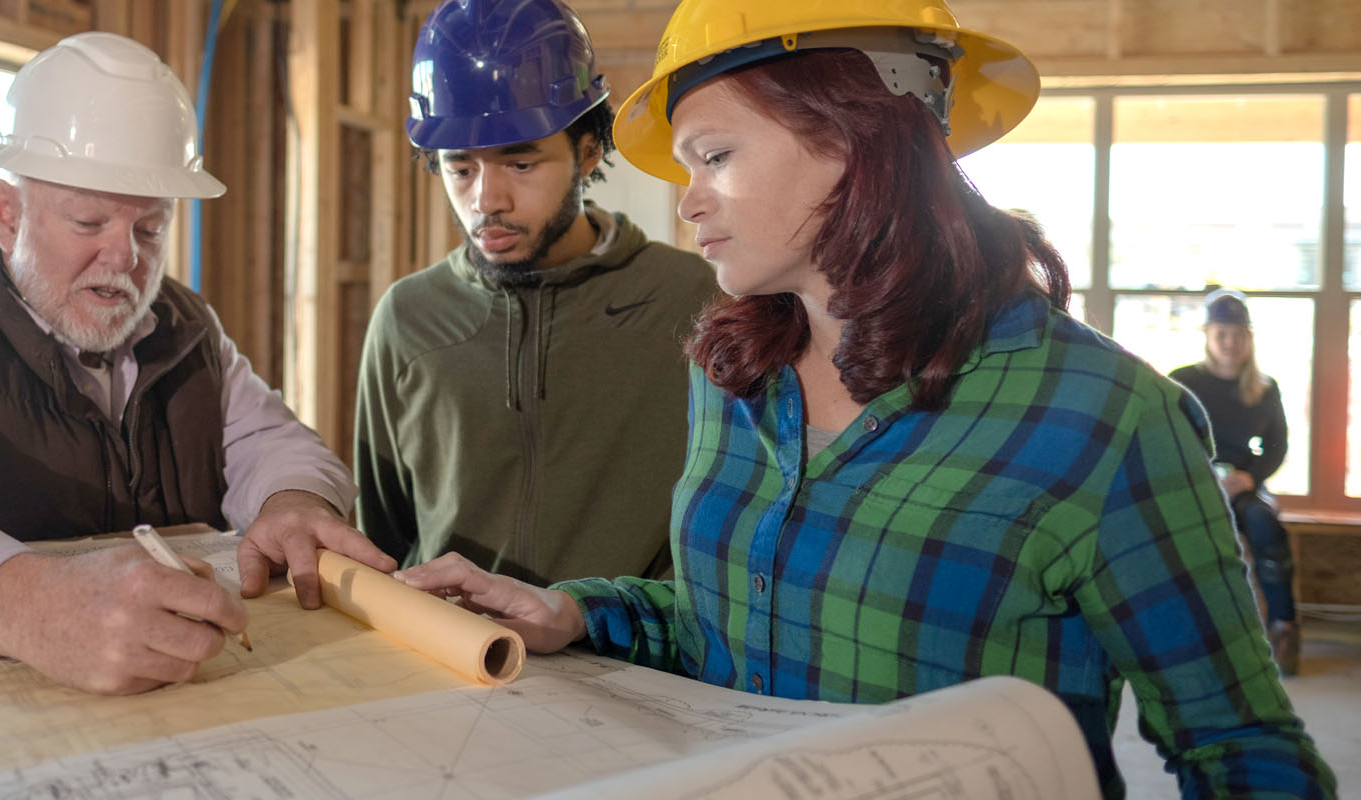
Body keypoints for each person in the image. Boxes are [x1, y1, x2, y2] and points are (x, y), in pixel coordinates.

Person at [394, 0, 1335, 795]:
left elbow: (1243, 752)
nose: (688, 203)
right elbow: (725, 630)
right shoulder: (734, 374)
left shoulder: (1104, 420)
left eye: (713, 156)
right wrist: (572, 611)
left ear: (854, 138)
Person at [0, 32, 395, 696]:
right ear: (7, 214)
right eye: (89, 222)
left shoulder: (189, 330)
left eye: (150, 230)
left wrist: (292, 501)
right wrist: (25, 604)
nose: (124, 257)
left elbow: (270, 440)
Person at [353, 0, 720, 585]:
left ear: (589, 152)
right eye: (460, 168)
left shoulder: (690, 300)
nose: (486, 200)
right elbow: (382, 538)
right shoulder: (407, 318)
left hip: (637, 663)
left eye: (520, 164)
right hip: (454, 658)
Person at [1169, 290, 1298, 674]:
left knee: (1263, 523)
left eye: (1239, 334)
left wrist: (1248, 477)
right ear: (1207, 334)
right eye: (1222, 333)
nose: (1230, 342)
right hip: (1195, 485)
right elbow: (1166, 438)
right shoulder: (1182, 381)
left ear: (1249, 337)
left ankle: (1283, 627)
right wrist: (1202, 476)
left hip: (1245, 487)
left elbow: (1277, 446)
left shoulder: (1265, 387)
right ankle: (1183, 633)